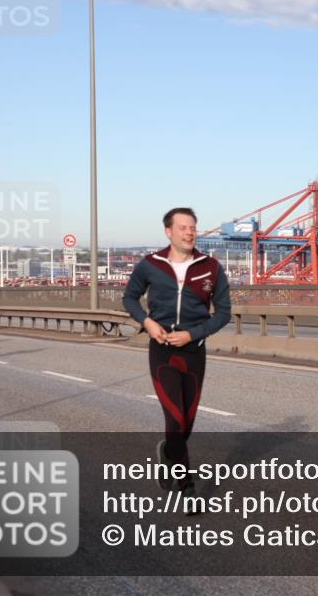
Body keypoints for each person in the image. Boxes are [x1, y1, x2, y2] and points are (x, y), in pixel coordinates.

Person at [122, 208, 231, 508]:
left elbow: (223, 313)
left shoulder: (210, 267)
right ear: (168, 231)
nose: (189, 232)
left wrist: (193, 334)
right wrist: (147, 322)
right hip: (163, 350)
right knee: (175, 417)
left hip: (194, 351)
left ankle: (168, 454)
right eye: (183, 227)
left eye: (193, 227)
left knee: (187, 425)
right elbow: (129, 297)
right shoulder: (150, 265)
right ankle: (187, 489)